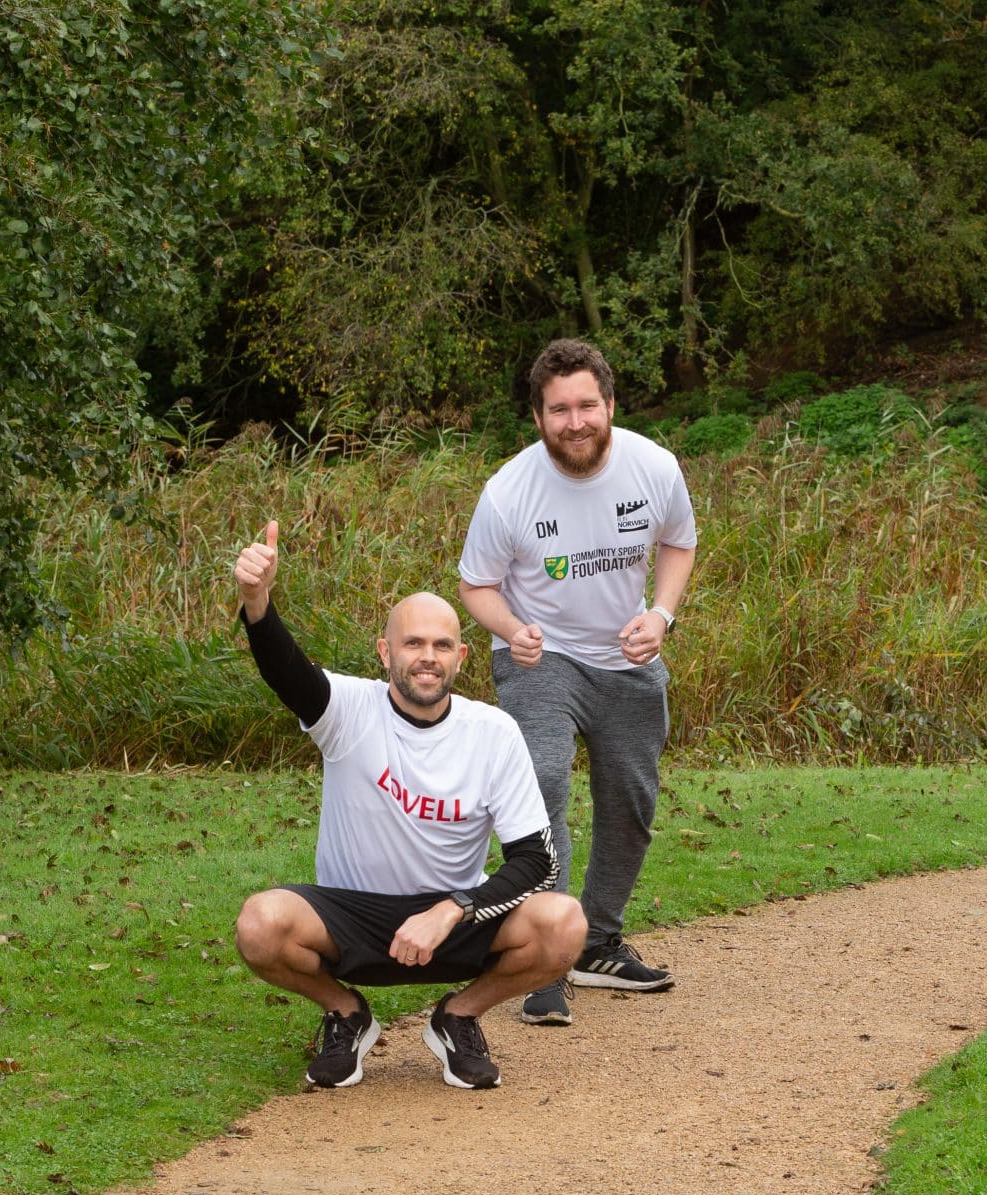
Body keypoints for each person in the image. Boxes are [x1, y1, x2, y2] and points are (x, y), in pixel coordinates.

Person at [230, 521, 586, 1089]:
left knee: (564, 923)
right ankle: (346, 1014)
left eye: (442, 645)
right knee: (259, 924)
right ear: (385, 651)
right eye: (413, 643)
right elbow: (286, 672)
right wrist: (257, 601)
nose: (427, 657)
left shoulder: (492, 731)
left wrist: (451, 910)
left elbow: (535, 862)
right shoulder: (347, 710)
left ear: (461, 656)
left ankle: (459, 1018)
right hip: (352, 916)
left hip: (453, 922)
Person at [457, 338, 697, 1027]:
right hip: (541, 659)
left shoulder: (654, 467)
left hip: (628, 658)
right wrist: (512, 625)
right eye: (559, 409)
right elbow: (476, 584)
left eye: (587, 404)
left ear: (610, 405)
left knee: (630, 795)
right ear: (538, 417)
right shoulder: (509, 491)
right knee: (541, 777)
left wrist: (662, 613)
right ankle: (543, 956)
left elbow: (680, 541)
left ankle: (597, 941)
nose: (575, 420)